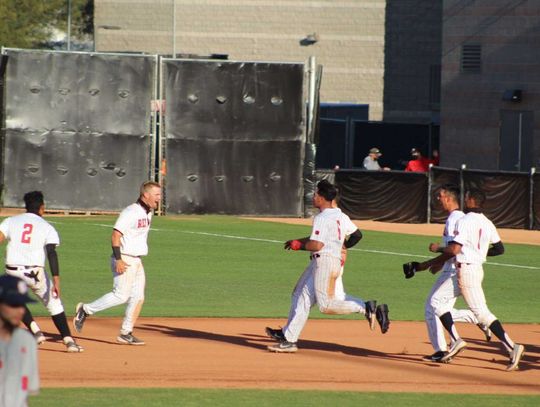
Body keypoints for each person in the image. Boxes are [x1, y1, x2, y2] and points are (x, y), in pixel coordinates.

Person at [265, 180, 389, 353]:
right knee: (300, 295)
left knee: (326, 305)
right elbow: (357, 235)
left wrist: (298, 246)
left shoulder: (322, 217)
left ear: (322, 198)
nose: (313, 197)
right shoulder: (340, 215)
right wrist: (339, 246)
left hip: (325, 262)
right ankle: (289, 338)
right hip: (325, 261)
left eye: (316, 194)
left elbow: (317, 245)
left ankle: (365, 307)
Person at [419, 188, 525, 370]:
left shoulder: (464, 220)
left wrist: (437, 249)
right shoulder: (488, 222)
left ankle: (512, 346)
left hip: (466, 270)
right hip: (474, 268)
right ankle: (456, 340)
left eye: (466, 196)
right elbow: (499, 249)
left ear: (470, 200)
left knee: (481, 313)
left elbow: (454, 250)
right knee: (437, 302)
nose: (464, 199)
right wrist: (480, 253)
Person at [73, 181, 162, 345]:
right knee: (121, 295)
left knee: (138, 297)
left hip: (136, 260)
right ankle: (85, 310)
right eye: (156, 195)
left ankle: (125, 333)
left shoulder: (148, 212)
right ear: (146, 195)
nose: (159, 198)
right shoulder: (131, 212)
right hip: (124, 258)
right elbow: (115, 235)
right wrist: (119, 259)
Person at [410, 185, 491, 362]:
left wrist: (425, 265)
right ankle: (475, 320)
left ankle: (444, 349)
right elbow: (451, 251)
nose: (438, 199)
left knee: (433, 306)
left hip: (457, 270)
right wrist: (437, 264)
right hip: (453, 268)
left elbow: (454, 250)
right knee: (436, 308)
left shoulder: (457, 219)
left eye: (440, 196)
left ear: (448, 198)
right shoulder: (454, 218)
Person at [0, 191, 83, 353]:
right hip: (36, 273)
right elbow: (51, 252)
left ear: (26, 206)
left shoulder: (11, 221)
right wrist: (56, 279)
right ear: (42, 208)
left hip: (13, 271)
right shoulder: (47, 227)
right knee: (53, 304)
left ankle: (36, 331)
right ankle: (69, 341)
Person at [0, 275, 40, 407]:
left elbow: (25, 393)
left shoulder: (27, 341)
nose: (21, 311)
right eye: (14, 304)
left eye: (22, 304)